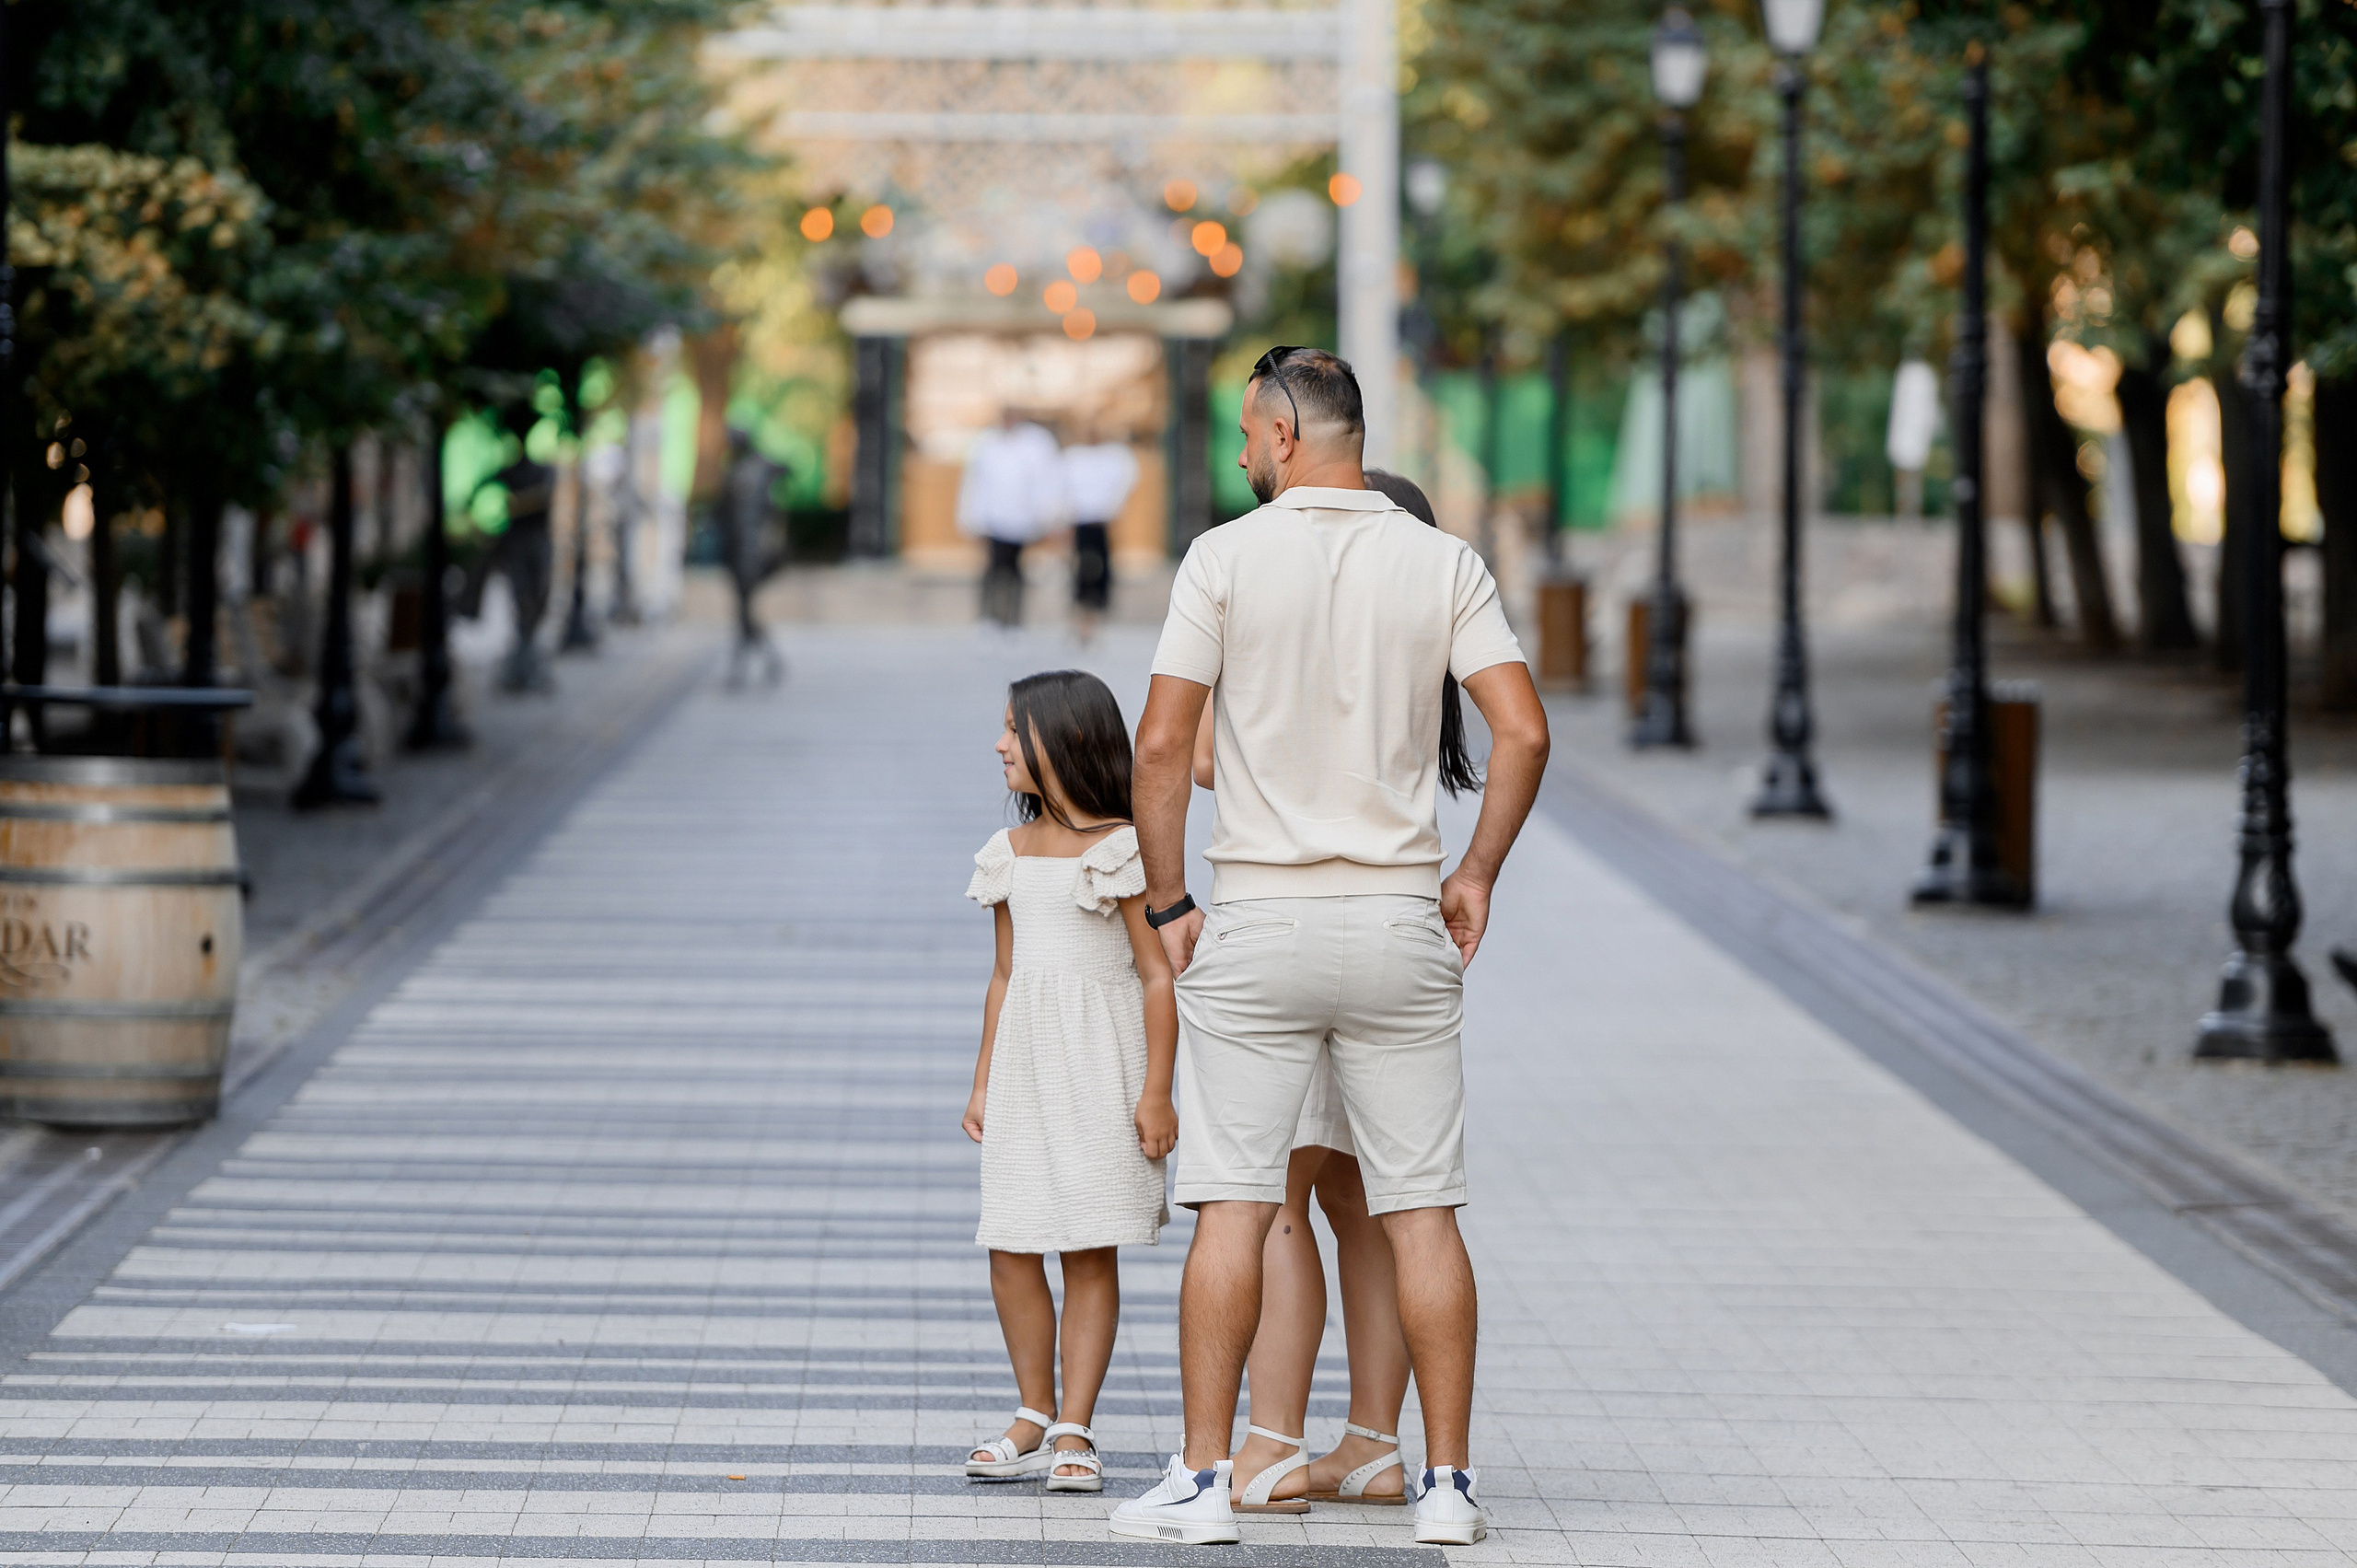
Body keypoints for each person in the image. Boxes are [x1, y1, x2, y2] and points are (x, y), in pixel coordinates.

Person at [1109, 347, 1550, 1548]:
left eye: (1249, 436)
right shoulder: (1443, 559)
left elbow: (1160, 746)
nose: (1244, 455)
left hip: (1257, 913)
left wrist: (1165, 902)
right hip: (1403, 916)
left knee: (1235, 1206)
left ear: (1285, 432)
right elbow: (1521, 730)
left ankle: (1209, 1480)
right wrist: (1476, 872)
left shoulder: (1223, 556)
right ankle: (1445, 1481)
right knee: (1423, 1209)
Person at [1218, 470, 1461, 1517]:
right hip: (1400, 938)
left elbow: (1191, 760)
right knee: (1375, 1201)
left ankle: (1269, 1443)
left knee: (1274, 1197)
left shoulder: (1276, 601)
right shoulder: (1424, 625)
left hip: (1290, 929)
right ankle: (1373, 1443)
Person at [962, 670, 1180, 1494]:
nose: (1001, 744)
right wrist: (983, 1081)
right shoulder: (1007, 854)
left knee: (1087, 1245)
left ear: (1068, 739)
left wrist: (1156, 1090)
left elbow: (1157, 977)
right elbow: (1004, 975)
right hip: (1026, 1070)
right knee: (1011, 1241)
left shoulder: (1122, 848)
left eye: (1014, 729)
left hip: (1100, 1069)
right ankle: (1030, 1409)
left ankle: (1074, 1428)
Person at [958, 412, 1063, 630]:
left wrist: (1047, 518)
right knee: (994, 571)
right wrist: (973, 520)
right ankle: (989, 619)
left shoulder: (1034, 445)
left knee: (1015, 573)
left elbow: (1042, 483)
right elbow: (975, 485)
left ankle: (1012, 621)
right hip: (995, 522)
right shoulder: (986, 444)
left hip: (1020, 523)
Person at [719, 429, 787, 689]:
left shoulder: (752, 470)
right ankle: (767, 661)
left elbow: (784, 470)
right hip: (738, 552)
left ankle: (746, 667)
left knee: (744, 612)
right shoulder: (737, 471)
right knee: (744, 612)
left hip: (750, 554)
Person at [1060, 427, 1137, 641]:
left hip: (1100, 522)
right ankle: (1081, 611)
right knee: (1081, 568)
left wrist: (1113, 509)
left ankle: (1096, 610)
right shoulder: (1075, 458)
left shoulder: (1111, 457)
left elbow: (1125, 480)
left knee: (1100, 567)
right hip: (1081, 521)